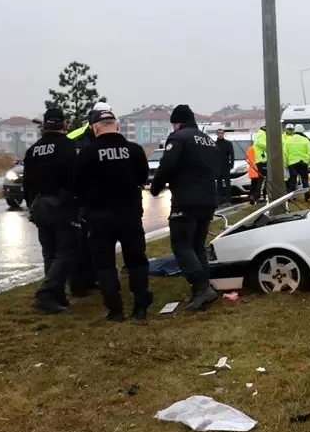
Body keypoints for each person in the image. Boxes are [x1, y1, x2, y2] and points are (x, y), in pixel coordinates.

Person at [75, 108, 152, 322]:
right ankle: (140, 307)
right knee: (137, 261)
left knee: (105, 264)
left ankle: (115, 310)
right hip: (129, 215)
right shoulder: (135, 150)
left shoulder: (87, 154)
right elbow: (143, 178)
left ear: (94, 128)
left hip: (99, 217)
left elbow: (77, 185)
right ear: (117, 126)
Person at [150, 104, 220, 312]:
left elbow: (167, 165)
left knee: (181, 245)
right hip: (208, 199)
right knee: (197, 245)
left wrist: (156, 187)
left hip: (186, 200)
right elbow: (218, 167)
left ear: (177, 123)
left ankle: (201, 288)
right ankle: (205, 287)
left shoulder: (179, 138)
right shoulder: (208, 140)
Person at [22, 108, 80, 313]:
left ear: (45, 125)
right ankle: (45, 294)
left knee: (49, 252)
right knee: (68, 251)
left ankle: (56, 296)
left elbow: (26, 182)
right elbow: (74, 177)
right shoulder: (67, 146)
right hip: (60, 204)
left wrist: (31, 205)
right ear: (63, 125)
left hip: (38, 204)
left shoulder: (33, 149)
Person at [65, 101, 112, 298]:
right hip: (80, 200)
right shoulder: (75, 138)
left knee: (97, 243)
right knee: (80, 244)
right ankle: (78, 284)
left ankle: (93, 278)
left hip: (100, 200)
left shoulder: (108, 136)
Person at [214, 127, 235, 205]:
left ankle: (228, 200)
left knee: (227, 183)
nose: (220, 134)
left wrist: (232, 164)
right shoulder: (214, 143)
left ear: (224, 134)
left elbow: (232, 154)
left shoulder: (228, 143)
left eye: (221, 133)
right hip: (217, 167)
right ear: (216, 134)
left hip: (226, 166)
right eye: (218, 133)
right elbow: (212, 155)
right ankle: (219, 199)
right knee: (218, 184)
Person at [252, 125, 269, 202]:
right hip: (262, 159)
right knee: (263, 178)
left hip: (262, 159)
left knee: (263, 178)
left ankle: (261, 195)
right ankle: (260, 196)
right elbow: (261, 143)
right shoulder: (261, 134)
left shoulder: (261, 134)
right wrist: (270, 146)